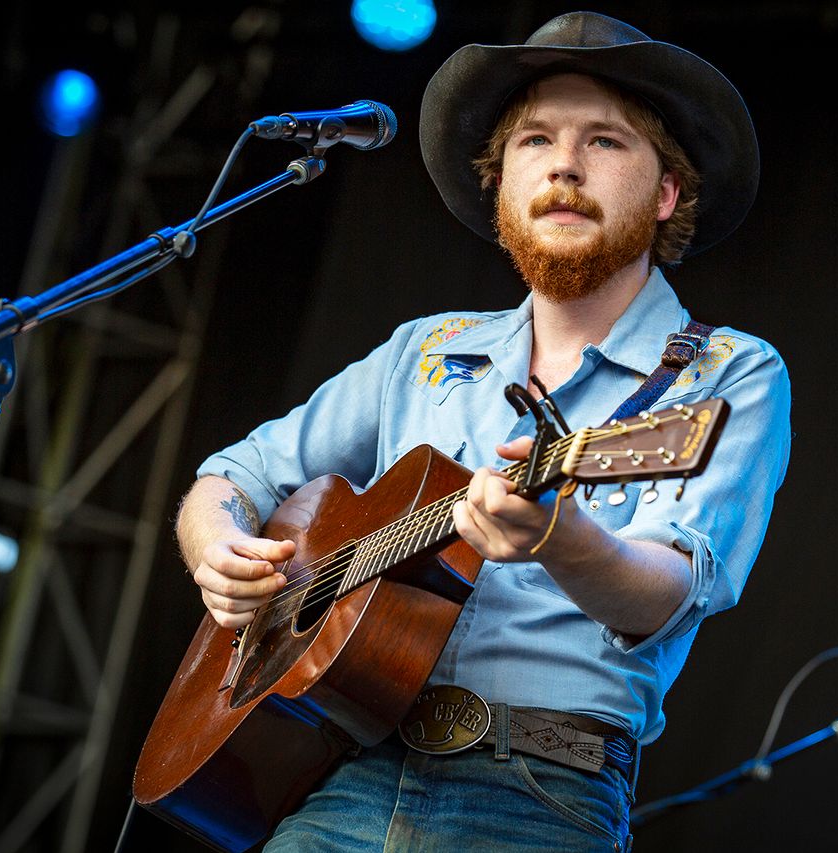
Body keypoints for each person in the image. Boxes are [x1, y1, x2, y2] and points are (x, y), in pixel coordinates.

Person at [175, 11, 791, 851]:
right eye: (536, 140)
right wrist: (215, 546)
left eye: (605, 141)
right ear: (501, 187)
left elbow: (672, 590)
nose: (565, 164)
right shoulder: (426, 349)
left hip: (539, 793)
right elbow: (235, 474)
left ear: (666, 194)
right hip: (340, 775)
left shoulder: (726, 370)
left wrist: (559, 537)